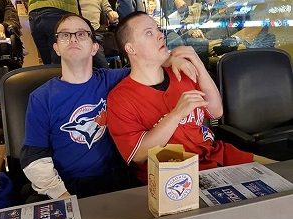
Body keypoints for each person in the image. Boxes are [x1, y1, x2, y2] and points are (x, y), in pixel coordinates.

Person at [20, 13, 200, 199]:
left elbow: (145, 63)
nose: (73, 38)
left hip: (118, 180)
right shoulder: (41, 98)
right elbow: (34, 156)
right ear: (56, 47)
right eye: (65, 35)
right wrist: (61, 195)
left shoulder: (112, 79)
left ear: (94, 47)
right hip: (68, 185)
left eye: (81, 34)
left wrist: (170, 60)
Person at [107, 11, 275, 184]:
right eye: (149, 33)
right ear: (130, 48)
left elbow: (215, 111)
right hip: (172, 176)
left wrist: (198, 64)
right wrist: (176, 115)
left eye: (157, 29)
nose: (160, 36)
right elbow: (138, 155)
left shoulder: (181, 72)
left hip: (217, 156)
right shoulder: (120, 98)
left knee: (283, 173)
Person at [78, 0, 119, 68]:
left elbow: (108, 9)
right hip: (77, 33)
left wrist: (111, 13)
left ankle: (105, 74)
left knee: (95, 50)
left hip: (95, 33)